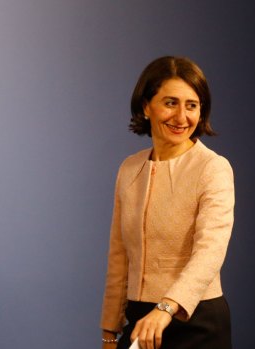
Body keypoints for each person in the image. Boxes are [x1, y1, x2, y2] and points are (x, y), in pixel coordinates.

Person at [100, 56, 234, 349]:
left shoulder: (213, 167)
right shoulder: (129, 168)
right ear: (146, 106)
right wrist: (110, 331)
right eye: (171, 103)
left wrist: (165, 308)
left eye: (192, 105)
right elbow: (119, 254)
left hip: (196, 320)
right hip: (139, 320)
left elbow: (211, 250)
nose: (182, 117)